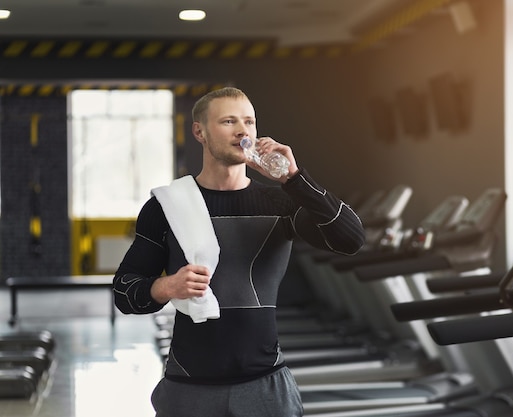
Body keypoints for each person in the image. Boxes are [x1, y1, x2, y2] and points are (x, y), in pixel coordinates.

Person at [112, 86, 365, 417]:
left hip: (266, 385)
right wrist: (166, 286)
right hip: (188, 387)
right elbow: (124, 291)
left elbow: (351, 239)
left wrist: (295, 179)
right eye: (228, 121)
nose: (242, 130)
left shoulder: (281, 203)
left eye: (249, 122)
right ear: (199, 131)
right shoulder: (166, 206)